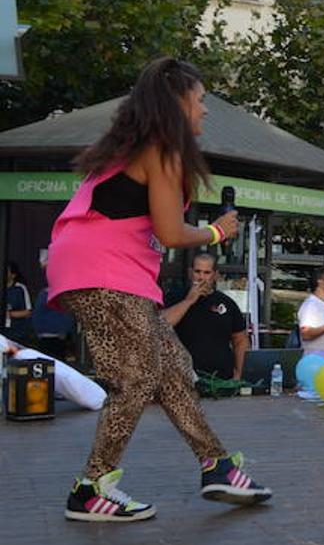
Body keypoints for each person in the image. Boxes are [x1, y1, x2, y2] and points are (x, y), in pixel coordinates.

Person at [47, 57, 269, 521]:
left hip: (97, 271)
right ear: (177, 102)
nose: (205, 111)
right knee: (137, 378)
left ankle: (218, 466)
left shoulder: (134, 148)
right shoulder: (162, 149)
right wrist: (216, 233)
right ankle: (90, 488)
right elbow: (170, 233)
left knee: (173, 369)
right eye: (201, 101)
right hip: (103, 273)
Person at [161, 251, 247, 382]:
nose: (201, 277)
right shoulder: (175, 297)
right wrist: (188, 301)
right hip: (182, 380)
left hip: (221, 380)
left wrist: (238, 373)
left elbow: (240, 340)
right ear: (190, 273)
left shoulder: (227, 303)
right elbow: (161, 325)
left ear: (215, 275)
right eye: (197, 272)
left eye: (207, 273)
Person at [4, 260, 33, 342]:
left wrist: (9, 314)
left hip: (16, 333)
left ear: (13, 275)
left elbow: (28, 311)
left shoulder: (20, 288)